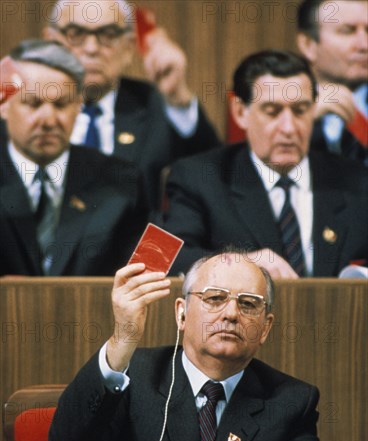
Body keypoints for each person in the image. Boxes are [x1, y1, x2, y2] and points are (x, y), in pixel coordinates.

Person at [49, 251, 325, 441]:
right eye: (215, 298)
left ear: (265, 328)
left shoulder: (290, 400)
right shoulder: (130, 375)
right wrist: (122, 340)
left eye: (249, 304)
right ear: (182, 313)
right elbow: (68, 440)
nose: (231, 314)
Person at [163, 49, 368, 278]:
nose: (289, 128)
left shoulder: (357, 182)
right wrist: (236, 263)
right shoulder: (198, 177)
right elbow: (160, 257)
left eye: (300, 111)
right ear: (241, 112)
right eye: (272, 112)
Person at [43, 0, 220, 213]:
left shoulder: (153, 105)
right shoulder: (26, 110)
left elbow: (211, 172)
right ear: (51, 42)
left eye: (107, 35)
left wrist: (177, 98)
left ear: (128, 47)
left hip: (135, 244)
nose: (91, 48)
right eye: (76, 34)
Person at [0, 39, 148, 276]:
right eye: (33, 103)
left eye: (61, 104)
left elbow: (144, 274)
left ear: (79, 105)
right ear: (4, 105)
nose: (48, 120)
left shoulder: (121, 180)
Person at [297, 0, 368, 164]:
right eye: (347, 31)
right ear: (308, 45)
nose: (364, 45)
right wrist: (301, 118)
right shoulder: (275, 107)